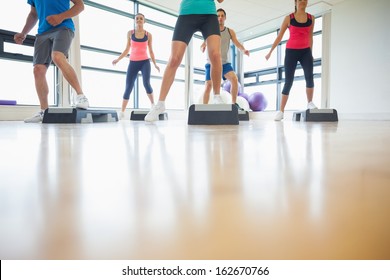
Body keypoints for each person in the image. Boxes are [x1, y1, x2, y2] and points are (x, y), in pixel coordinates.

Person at [145, 0, 224, 122]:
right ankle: (160, 104)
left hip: (209, 14)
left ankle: (217, 97)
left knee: (215, 55)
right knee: (174, 59)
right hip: (187, 13)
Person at [14, 0, 89, 123]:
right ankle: (44, 111)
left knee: (58, 57)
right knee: (38, 70)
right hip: (42, 32)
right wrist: (23, 32)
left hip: (63, 27)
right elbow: (33, 14)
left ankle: (81, 96)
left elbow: (80, 5)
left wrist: (61, 17)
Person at [265, 0, 317, 121]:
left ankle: (310, 102)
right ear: (295, 2)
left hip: (306, 52)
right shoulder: (289, 18)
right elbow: (279, 37)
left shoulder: (311, 18)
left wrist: (311, 52)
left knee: (309, 77)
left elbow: (310, 37)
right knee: (289, 81)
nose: (303, 1)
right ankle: (281, 111)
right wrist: (270, 52)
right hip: (291, 52)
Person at [112, 13, 160, 119]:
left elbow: (151, 51)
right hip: (133, 63)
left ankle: (153, 105)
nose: (139, 20)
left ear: (144, 21)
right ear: (135, 20)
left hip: (145, 62)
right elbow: (126, 50)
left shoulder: (148, 35)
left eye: (141, 18)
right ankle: (122, 112)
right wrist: (118, 59)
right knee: (128, 87)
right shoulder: (130, 33)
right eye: (137, 18)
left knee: (146, 83)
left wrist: (155, 64)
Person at [200, 8, 249, 108]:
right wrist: (203, 47)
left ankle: (233, 104)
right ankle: (203, 109)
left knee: (234, 79)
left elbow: (236, 43)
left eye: (222, 16)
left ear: (225, 17)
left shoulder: (230, 32)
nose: (220, 18)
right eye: (218, 16)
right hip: (212, 63)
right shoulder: (211, 31)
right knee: (208, 86)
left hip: (225, 64)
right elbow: (203, 43)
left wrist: (244, 50)